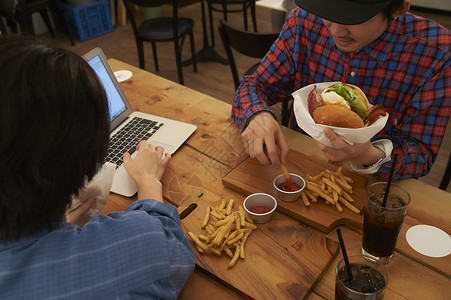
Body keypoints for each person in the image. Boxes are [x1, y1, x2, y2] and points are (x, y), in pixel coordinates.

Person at [0, 36, 195, 299]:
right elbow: (169, 248)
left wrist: (49, 229)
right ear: (81, 165)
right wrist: (148, 180)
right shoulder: (138, 251)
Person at [231, 0, 451, 181]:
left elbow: (421, 153)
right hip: (294, 168)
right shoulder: (304, 21)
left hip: (373, 187)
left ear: (398, 8)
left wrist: (368, 155)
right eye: (329, 10)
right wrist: (256, 114)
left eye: (353, 18)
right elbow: (255, 85)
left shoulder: (435, 53)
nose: (335, 31)